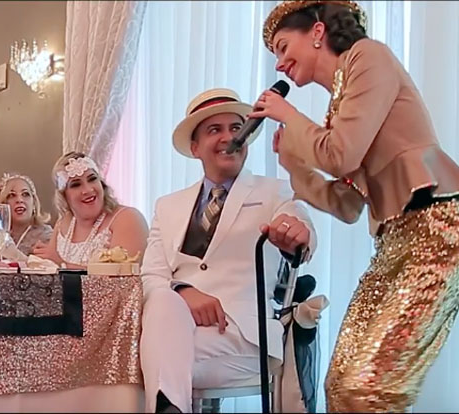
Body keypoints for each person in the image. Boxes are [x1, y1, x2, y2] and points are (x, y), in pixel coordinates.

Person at [256, 1, 459, 411]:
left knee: (365, 388)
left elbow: (340, 155)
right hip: (394, 239)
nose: (279, 64)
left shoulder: (368, 57)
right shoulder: (339, 105)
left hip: (436, 227)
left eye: (282, 47)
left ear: (317, 32)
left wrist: (289, 115)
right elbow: (348, 205)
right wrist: (295, 167)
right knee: (340, 382)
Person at [140, 88, 317, 413]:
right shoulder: (167, 206)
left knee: (145, 361)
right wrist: (184, 292)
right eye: (214, 130)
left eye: (237, 128)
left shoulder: (275, 192)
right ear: (195, 148)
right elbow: (151, 276)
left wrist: (297, 235)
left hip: (244, 336)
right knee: (163, 302)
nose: (229, 137)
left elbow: (301, 229)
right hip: (178, 326)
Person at [34, 152, 148, 268]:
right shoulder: (62, 224)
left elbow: (122, 275)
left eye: (92, 179)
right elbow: (52, 268)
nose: (88, 190)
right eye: (76, 185)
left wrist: (63, 265)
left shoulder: (127, 218)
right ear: (64, 196)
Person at [0, 173, 53, 256]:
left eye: (25, 194)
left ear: (34, 204)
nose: (19, 200)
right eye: (11, 195)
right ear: (3, 204)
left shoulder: (47, 236)